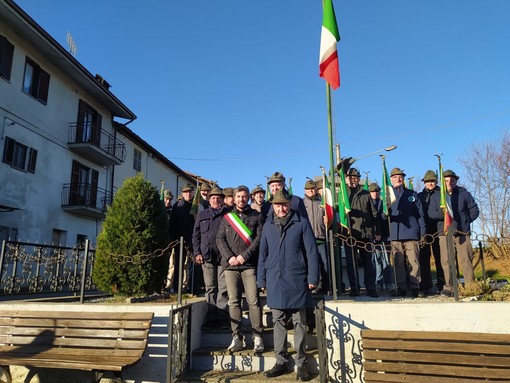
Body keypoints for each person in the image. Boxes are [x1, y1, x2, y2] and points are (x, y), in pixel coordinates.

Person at [258, 190, 319, 381]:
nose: (281, 208)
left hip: (297, 279)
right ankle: (280, 362)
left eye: (284, 204)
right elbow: (263, 254)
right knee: (278, 323)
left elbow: (311, 252)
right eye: (277, 205)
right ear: (273, 207)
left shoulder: (301, 223)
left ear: (290, 204)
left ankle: (301, 364)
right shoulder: (267, 226)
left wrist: (313, 278)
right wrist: (262, 279)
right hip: (275, 280)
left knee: (300, 323)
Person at [216, 185, 264, 353]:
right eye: (238, 197)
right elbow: (219, 238)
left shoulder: (257, 216)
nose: (241, 199)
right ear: (234, 198)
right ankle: (237, 337)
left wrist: (244, 255)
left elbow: (259, 239)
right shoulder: (226, 218)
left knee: (253, 301)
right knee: (234, 302)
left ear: (248, 198)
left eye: (244, 196)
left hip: (248, 265)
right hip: (230, 266)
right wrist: (230, 257)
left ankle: (257, 336)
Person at [192, 187, 229, 328]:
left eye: (218, 197)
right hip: (207, 256)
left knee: (223, 288)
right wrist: (197, 252)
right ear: (209, 199)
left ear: (222, 199)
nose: (215, 200)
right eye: (213, 197)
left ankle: (222, 317)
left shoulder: (228, 214)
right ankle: (212, 317)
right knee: (210, 287)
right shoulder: (202, 215)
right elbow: (195, 235)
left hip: (223, 256)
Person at [439, 170, 479, 297]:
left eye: (452, 180)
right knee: (446, 261)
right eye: (446, 181)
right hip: (445, 233)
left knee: (466, 259)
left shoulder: (464, 194)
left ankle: (470, 286)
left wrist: (466, 222)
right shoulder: (438, 195)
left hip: (462, 232)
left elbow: (474, 210)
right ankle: (449, 287)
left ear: (456, 181)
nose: (449, 183)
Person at [387, 168, 426, 298]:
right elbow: (381, 217)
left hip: (411, 234)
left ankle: (415, 286)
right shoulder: (387, 196)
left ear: (403, 179)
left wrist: (423, 232)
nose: (398, 179)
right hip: (395, 234)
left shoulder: (412, 195)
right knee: (398, 263)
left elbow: (420, 215)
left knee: (414, 261)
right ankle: (401, 286)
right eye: (395, 177)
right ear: (391, 179)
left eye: (400, 177)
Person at [344, 168, 380, 297]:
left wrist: (376, 230)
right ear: (347, 179)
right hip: (350, 234)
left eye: (356, 178)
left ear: (359, 179)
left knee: (369, 263)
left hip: (366, 233)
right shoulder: (343, 194)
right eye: (350, 177)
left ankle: (371, 288)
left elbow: (374, 213)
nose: (353, 180)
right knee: (351, 263)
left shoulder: (365, 194)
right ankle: (354, 288)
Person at [417, 170, 445, 294]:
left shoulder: (441, 194)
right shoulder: (419, 196)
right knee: (424, 259)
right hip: (424, 231)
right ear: (424, 183)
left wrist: (438, 215)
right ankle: (426, 285)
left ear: (436, 181)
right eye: (428, 181)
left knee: (441, 259)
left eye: (432, 181)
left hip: (439, 230)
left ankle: (442, 283)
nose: (430, 183)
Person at [303, 179, 329, 294]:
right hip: (307, 239)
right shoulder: (302, 203)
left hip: (321, 237)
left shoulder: (322, 203)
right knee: (311, 264)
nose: (311, 191)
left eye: (312, 188)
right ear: (305, 190)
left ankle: (325, 287)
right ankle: (313, 286)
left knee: (324, 264)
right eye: (308, 189)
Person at [169, 183, 196, 292]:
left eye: (190, 192)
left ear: (193, 193)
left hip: (193, 239)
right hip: (179, 240)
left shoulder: (196, 205)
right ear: (182, 194)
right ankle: (176, 287)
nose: (188, 194)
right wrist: (173, 239)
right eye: (186, 192)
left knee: (193, 265)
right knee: (178, 265)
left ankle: (192, 287)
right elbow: (172, 223)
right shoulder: (177, 206)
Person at [369, 182, 393, 292]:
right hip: (373, 235)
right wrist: (375, 233)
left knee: (386, 260)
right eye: (373, 191)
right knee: (377, 260)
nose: (375, 193)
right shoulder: (368, 203)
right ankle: (378, 282)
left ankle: (388, 282)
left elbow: (383, 219)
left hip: (385, 235)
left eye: (377, 191)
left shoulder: (383, 203)